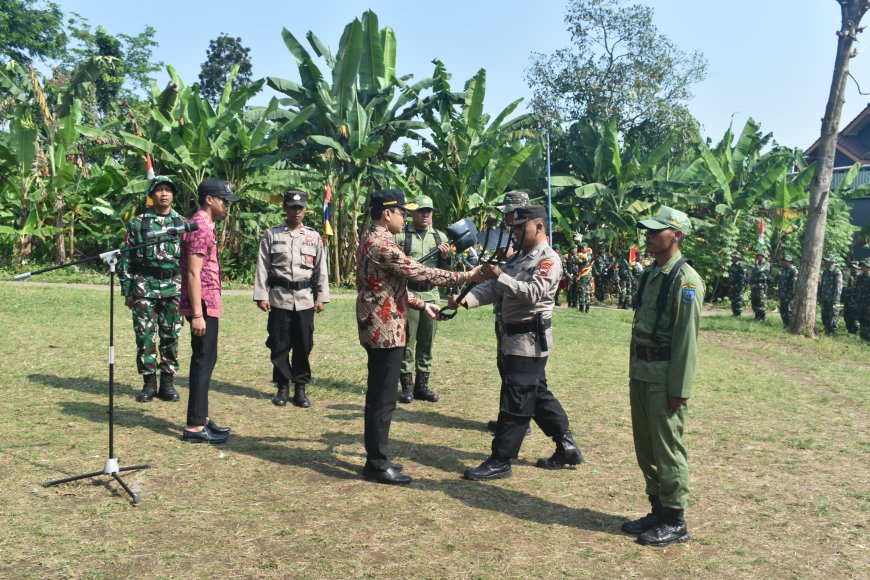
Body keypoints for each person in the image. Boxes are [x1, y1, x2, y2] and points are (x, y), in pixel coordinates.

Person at [356, 189, 480, 485]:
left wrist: (423, 305)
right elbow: (419, 272)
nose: (404, 217)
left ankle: (379, 457)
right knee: (382, 399)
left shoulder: (376, 240)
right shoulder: (381, 244)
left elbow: (391, 287)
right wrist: (468, 276)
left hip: (385, 324)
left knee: (382, 397)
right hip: (384, 329)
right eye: (401, 211)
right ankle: (375, 463)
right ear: (387, 214)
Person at [457, 205, 584, 481]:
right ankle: (567, 446)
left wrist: (499, 276)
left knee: (515, 400)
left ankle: (501, 459)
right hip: (513, 339)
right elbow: (494, 288)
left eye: (519, 227)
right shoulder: (519, 258)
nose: (514, 232)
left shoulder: (548, 260)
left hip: (529, 341)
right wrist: (465, 300)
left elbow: (533, 293)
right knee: (536, 395)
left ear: (538, 227)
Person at [621, 205, 704, 547]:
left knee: (667, 449)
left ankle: (675, 520)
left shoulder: (686, 280)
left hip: (664, 377)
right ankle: (658, 509)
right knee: (646, 448)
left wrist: (679, 390)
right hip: (642, 371)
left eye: (657, 231)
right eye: (649, 230)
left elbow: (686, 342)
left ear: (677, 235)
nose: (650, 236)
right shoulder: (651, 273)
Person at [253, 190, 330, 408]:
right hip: (279, 298)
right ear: (285, 208)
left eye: (300, 208)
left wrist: (321, 297)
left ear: (305, 210)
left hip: (305, 299)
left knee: (303, 344)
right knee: (279, 343)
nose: (296, 211)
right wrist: (261, 294)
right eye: (292, 207)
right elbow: (262, 266)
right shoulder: (272, 235)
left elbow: (320, 269)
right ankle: (282, 386)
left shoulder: (313, 237)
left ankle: (300, 388)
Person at [179, 178, 239, 444]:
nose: (227, 205)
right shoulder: (200, 226)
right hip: (202, 303)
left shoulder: (206, 225)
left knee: (207, 360)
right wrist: (198, 314)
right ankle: (194, 426)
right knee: (202, 361)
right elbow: (193, 272)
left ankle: (200, 418)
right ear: (209, 200)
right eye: (223, 200)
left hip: (208, 302)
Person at [118, 176, 186, 403]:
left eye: (168, 190)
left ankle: (167, 382)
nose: (164, 194)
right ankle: (148, 383)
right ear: (151, 194)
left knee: (171, 335)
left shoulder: (182, 223)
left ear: (173, 195)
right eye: (159, 190)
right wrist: (127, 290)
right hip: (144, 286)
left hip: (174, 288)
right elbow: (126, 257)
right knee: (144, 335)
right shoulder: (138, 223)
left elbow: (190, 260)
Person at [393, 194, 452, 404]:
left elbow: (448, 270)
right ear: (412, 213)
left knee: (427, 342)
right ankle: (407, 387)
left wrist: (446, 258)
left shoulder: (440, 237)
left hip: (431, 294)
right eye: (421, 211)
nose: (425, 215)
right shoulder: (401, 236)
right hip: (408, 294)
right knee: (407, 340)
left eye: (428, 211)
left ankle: (422, 386)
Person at [818, 254, 843, 336]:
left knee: (833, 316)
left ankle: (833, 333)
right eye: (825, 261)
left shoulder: (837, 272)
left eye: (826, 261)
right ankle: (827, 331)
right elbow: (821, 285)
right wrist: (820, 296)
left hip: (833, 299)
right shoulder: (825, 272)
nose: (825, 263)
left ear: (831, 262)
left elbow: (838, 287)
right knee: (824, 316)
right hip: (825, 298)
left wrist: (836, 299)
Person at [778, 255, 799, 327]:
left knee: (788, 310)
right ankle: (785, 324)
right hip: (783, 293)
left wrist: (792, 293)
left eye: (785, 261)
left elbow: (795, 283)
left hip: (789, 294)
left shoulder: (793, 270)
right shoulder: (784, 270)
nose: (783, 262)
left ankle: (790, 325)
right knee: (782, 309)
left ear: (789, 262)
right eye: (783, 261)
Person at [750, 251, 770, 321]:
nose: (757, 257)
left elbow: (759, 271)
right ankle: (757, 316)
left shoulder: (766, 264)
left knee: (761, 302)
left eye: (759, 256)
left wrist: (756, 264)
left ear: (762, 256)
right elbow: (752, 274)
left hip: (761, 286)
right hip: (755, 285)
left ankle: (762, 318)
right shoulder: (756, 264)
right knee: (754, 301)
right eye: (757, 256)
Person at [842, 261, 861, 335]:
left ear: (857, 268)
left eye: (853, 268)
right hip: (847, 301)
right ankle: (850, 331)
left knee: (855, 317)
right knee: (847, 316)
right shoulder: (849, 276)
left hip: (855, 301)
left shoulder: (860, 277)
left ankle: (855, 331)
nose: (852, 269)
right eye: (851, 268)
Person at [576, 246, 594, 313]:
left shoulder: (583, 256)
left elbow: (580, 262)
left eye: (585, 248)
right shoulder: (589, 255)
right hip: (588, 276)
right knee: (586, 292)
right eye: (583, 248)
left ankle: (583, 308)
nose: (584, 249)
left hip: (584, 276)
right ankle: (586, 308)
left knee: (583, 292)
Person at [728, 253, 746, 317]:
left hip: (738, 285)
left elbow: (742, 278)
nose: (733, 258)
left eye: (734, 257)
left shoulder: (741, 265)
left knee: (738, 299)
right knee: (733, 299)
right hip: (732, 285)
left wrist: (739, 286)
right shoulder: (732, 265)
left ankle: (738, 313)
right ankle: (734, 313)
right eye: (733, 257)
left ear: (738, 258)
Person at [857, 258, 870, 342]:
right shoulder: (860, 277)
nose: (862, 267)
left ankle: (868, 338)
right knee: (861, 319)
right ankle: (862, 337)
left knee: (868, 320)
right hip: (860, 302)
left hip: (868, 303)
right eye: (861, 265)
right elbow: (857, 290)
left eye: (864, 265)